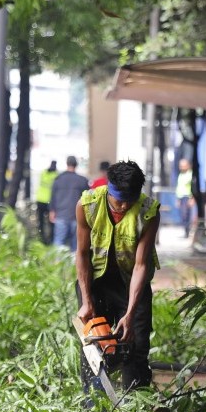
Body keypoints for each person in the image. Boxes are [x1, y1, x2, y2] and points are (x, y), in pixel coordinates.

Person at [75, 160, 160, 394]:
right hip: (96, 283)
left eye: (128, 201)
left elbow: (142, 265)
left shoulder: (148, 211)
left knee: (136, 345)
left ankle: (137, 407)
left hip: (131, 283)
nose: (122, 206)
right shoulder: (87, 205)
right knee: (94, 343)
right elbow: (82, 254)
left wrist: (130, 314)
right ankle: (94, 405)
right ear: (109, 188)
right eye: (118, 200)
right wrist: (87, 300)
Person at [50, 156, 89, 249]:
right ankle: (74, 263)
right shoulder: (82, 180)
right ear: (76, 165)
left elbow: (52, 197)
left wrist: (52, 211)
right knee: (76, 245)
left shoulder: (58, 179)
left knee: (59, 242)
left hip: (61, 215)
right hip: (77, 217)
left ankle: (56, 263)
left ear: (67, 164)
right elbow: (87, 200)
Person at [35, 160, 58, 244]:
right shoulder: (56, 175)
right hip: (49, 202)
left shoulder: (43, 173)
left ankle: (42, 239)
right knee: (51, 222)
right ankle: (50, 239)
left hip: (40, 200)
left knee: (40, 221)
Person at [175, 158, 195, 238]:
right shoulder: (181, 175)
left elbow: (192, 187)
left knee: (187, 215)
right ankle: (185, 231)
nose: (181, 167)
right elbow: (179, 187)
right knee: (183, 216)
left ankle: (188, 232)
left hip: (187, 197)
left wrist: (192, 198)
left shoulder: (190, 174)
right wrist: (178, 199)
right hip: (181, 197)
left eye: (183, 166)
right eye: (180, 166)